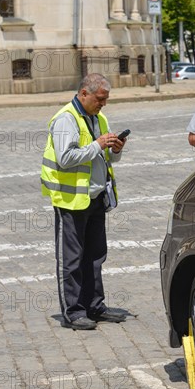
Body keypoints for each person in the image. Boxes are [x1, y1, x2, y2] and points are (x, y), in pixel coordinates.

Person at [41, 73, 128, 330]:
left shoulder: (98, 117)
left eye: (106, 100)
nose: (103, 104)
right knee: (72, 259)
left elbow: (102, 159)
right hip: (71, 200)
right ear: (84, 94)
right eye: (100, 99)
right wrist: (98, 144)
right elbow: (65, 158)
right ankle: (74, 311)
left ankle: (94, 305)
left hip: (96, 198)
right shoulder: (66, 119)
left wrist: (114, 150)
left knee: (95, 256)